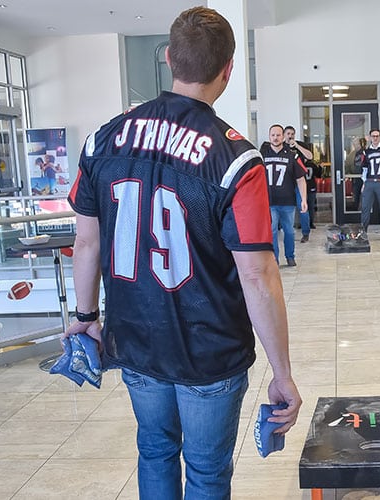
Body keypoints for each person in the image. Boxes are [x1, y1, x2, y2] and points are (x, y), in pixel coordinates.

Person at [65, 7, 301, 499]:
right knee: (207, 471)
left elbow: (86, 242)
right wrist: (282, 373)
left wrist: (86, 315)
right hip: (208, 349)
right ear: (228, 69)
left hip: (135, 342)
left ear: (169, 59)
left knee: (153, 450)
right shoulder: (235, 157)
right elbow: (257, 275)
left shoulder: (103, 139)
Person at [261, 124, 307, 265]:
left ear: (283, 136)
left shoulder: (292, 155)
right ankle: (274, 258)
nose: (275, 138)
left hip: (288, 201)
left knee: (289, 231)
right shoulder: (262, 154)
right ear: (269, 137)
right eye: (273, 135)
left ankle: (290, 256)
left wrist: (303, 199)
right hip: (269, 201)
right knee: (273, 231)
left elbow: (300, 179)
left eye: (278, 135)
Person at [283, 125, 317, 241]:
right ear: (284, 135)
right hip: (286, 183)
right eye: (288, 134)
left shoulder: (300, 145)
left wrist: (297, 145)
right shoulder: (281, 146)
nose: (290, 136)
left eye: (292, 134)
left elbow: (310, 156)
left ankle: (306, 233)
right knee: (286, 208)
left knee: (302, 207)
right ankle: (287, 231)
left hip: (299, 181)